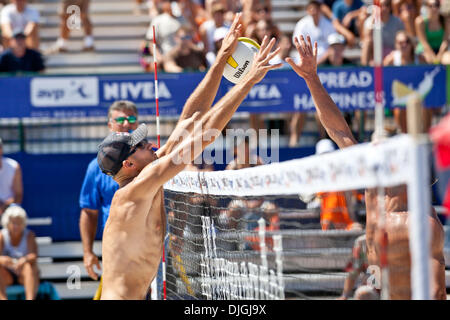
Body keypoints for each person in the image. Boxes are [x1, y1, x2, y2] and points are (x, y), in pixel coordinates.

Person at [96, 13, 282, 299]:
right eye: (140, 144)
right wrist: (248, 81)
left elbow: (192, 119)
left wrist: (220, 61)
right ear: (129, 163)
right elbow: (204, 136)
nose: (148, 144)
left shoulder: (145, 176)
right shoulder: (134, 191)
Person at [286, 34, 446, 299]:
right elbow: (339, 132)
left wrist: (311, 78)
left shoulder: (407, 208)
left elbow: (437, 291)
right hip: (389, 266)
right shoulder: (384, 181)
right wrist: (311, 77)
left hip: (396, 269)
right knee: (369, 290)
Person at [78, 100, 139, 297]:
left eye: (131, 118)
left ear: (137, 124)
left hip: (151, 243)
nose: (126, 123)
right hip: (116, 247)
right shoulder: (96, 167)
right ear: (109, 125)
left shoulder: (151, 158)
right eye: (120, 119)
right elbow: (89, 212)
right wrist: (88, 252)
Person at [383, 30, 424, 133]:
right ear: (396, 44)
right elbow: (382, 76)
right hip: (399, 96)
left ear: (411, 43)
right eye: (400, 43)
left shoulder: (419, 58)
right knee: (400, 107)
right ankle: (404, 134)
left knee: (425, 105)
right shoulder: (391, 59)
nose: (403, 45)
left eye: (406, 42)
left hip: (417, 94)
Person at [0, 205, 39, 300]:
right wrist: (2, 260)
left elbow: (33, 256)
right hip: (7, 275)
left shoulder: (29, 235)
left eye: (19, 223)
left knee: (29, 268)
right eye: (13, 222)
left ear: (23, 223)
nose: (16, 226)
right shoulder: (2, 236)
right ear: (7, 223)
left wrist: (24, 260)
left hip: (23, 274)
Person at [360, 0, 405, 66]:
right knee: (367, 42)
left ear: (390, 7)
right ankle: (364, 69)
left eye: (386, 5)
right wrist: (374, 17)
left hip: (393, 54)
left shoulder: (398, 21)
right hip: (375, 55)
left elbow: (402, 39)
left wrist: (392, 55)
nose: (384, 8)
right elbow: (366, 39)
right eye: (380, 6)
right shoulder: (369, 21)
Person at [293, 0, 337, 65]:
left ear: (320, 10)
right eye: (311, 8)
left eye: (316, 8)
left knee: (335, 53)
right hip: (306, 58)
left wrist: (320, 61)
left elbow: (333, 44)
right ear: (307, 11)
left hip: (325, 59)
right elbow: (297, 42)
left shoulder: (328, 24)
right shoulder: (301, 24)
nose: (314, 11)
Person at [415, 0, 449, 64]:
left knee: (448, 60)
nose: (434, 8)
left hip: (441, 50)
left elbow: (445, 41)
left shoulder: (445, 20)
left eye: (436, 5)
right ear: (426, 7)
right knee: (427, 59)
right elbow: (424, 43)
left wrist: (439, 56)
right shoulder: (420, 22)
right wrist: (433, 58)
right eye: (431, 6)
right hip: (425, 50)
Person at [0, 138, 23, 215]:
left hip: (9, 209)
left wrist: (4, 206)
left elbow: (18, 195)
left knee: (15, 216)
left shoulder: (13, 166)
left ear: (1, 149)